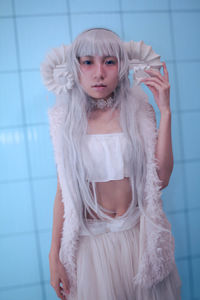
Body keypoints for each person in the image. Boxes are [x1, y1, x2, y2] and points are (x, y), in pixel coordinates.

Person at [40, 28, 182, 300]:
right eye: (88, 62)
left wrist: (165, 111)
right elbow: (63, 194)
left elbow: (161, 179)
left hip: (138, 240)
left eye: (109, 61)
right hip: (91, 249)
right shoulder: (64, 122)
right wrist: (54, 254)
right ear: (76, 67)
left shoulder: (140, 113)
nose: (99, 73)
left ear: (122, 66)